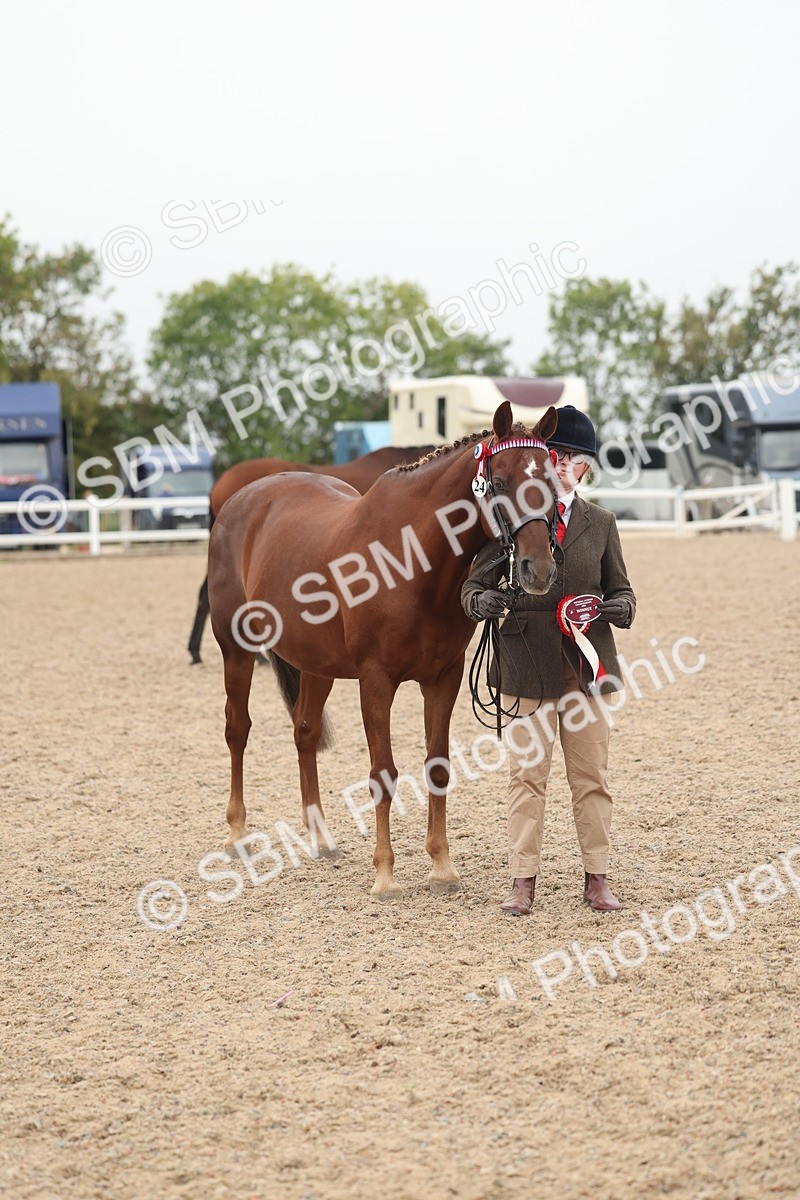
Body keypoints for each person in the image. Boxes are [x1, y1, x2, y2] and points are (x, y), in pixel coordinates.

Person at [461, 405, 636, 915]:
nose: (561, 465)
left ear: (586, 469)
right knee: (526, 779)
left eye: (572, 459)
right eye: (555, 455)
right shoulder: (510, 520)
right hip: (524, 668)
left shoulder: (600, 524)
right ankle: (522, 881)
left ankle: (597, 877)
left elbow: (622, 589)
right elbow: (472, 586)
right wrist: (479, 602)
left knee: (592, 778)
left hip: (587, 670)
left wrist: (620, 608)